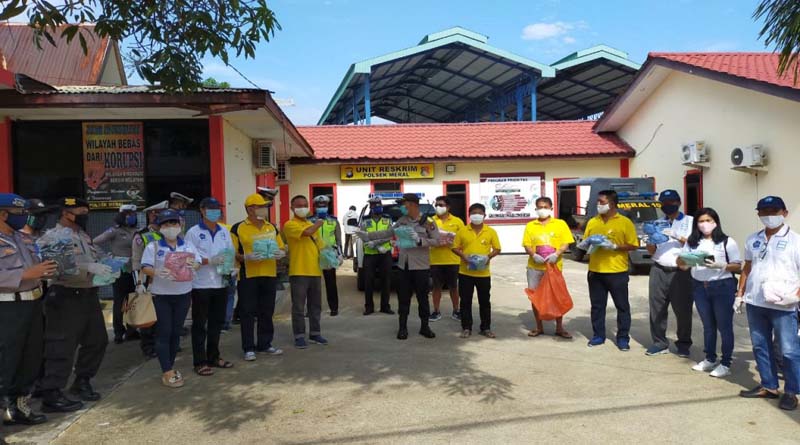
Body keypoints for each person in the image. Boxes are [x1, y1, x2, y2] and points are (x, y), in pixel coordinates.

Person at [40, 198, 110, 412]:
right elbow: (59, 270)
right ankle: (51, 393)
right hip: (66, 296)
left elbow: (96, 258)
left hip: (88, 295)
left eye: (86, 211)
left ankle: (82, 381)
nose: (85, 215)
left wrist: (109, 265)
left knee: (97, 340)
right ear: (66, 213)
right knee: (61, 345)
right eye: (81, 211)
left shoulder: (83, 235)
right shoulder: (54, 237)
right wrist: (89, 268)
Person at [737, 196, 800, 410]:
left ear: (784, 213)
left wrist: (797, 296)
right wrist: (740, 293)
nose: (769, 215)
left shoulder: (796, 241)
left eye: (774, 210)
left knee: (789, 351)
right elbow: (747, 267)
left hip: (784, 305)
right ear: (758, 214)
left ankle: (791, 392)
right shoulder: (752, 239)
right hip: (756, 303)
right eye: (764, 211)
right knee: (760, 346)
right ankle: (769, 386)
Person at [0, 194, 56, 427]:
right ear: (4, 214)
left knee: (30, 359)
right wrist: (25, 275)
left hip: (32, 304)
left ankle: (20, 407)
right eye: (19, 213)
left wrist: (45, 271)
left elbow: (35, 267)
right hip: (7, 308)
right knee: (6, 361)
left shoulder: (22, 238)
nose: (24, 217)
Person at [358, 193, 439, 340]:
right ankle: (402, 328)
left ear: (413, 205)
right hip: (404, 266)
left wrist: (420, 241)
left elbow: (437, 241)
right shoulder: (402, 220)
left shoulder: (427, 221)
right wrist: (368, 236)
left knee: (423, 298)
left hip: (420, 266)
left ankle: (425, 327)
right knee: (403, 298)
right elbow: (388, 233)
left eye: (404, 204)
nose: (401, 207)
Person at [677, 208, 741, 378]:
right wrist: (688, 261)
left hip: (722, 286)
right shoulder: (692, 242)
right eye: (701, 221)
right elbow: (682, 264)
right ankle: (710, 358)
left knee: (724, 326)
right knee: (708, 326)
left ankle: (726, 362)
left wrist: (721, 265)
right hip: (699, 286)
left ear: (715, 222)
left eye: (708, 220)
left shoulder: (726, 242)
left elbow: (738, 266)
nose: (704, 224)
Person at [141, 209, 199, 388]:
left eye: (174, 223)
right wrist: (157, 272)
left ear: (179, 225)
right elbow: (145, 267)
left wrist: (194, 264)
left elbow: (197, 262)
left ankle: (170, 367)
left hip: (183, 294)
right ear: (160, 228)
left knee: (176, 332)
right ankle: (166, 371)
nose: (171, 227)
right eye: (166, 224)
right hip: (162, 295)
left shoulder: (187, 245)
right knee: (164, 332)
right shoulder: (153, 247)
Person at [578, 190, 639, 350]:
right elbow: (585, 242)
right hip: (595, 271)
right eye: (598, 202)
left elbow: (633, 245)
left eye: (602, 202)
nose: (598, 205)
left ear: (612, 204)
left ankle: (623, 338)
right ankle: (598, 335)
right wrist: (586, 244)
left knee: (622, 306)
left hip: (617, 271)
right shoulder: (593, 221)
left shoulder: (625, 222)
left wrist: (614, 246)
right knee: (597, 306)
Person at [230, 193, 286, 360]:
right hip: (248, 275)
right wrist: (245, 257)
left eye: (264, 206)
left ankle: (265, 344)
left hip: (269, 273)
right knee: (247, 312)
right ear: (250, 209)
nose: (264, 209)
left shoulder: (271, 227)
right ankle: (248, 348)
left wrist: (281, 253)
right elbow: (232, 252)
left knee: (267, 310)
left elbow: (281, 247)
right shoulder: (238, 228)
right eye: (260, 206)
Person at [185, 198, 235, 375]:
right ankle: (199, 362)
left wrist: (229, 267)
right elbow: (189, 257)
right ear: (202, 210)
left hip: (220, 282)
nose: (215, 212)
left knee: (216, 322)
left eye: (217, 208)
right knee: (200, 324)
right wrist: (209, 261)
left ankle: (214, 356)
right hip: (201, 284)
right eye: (210, 208)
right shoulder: (193, 232)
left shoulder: (224, 231)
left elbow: (229, 252)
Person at [645, 189, 694, 357]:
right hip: (658, 268)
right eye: (663, 203)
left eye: (671, 202)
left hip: (681, 271)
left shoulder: (691, 222)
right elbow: (652, 251)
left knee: (683, 310)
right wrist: (650, 240)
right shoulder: (657, 223)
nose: (667, 205)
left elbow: (697, 246)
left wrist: (676, 236)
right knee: (656, 308)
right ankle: (659, 343)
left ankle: (684, 344)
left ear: (678, 202)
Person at [522, 197, 575, 338]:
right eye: (539, 207)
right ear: (535, 209)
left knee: (556, 296)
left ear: (551, 208)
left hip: (554, 267)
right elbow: (526, 244)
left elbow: (566, 242)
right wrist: (533, 255)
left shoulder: (560, 224)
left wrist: (557, 254)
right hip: (535, 267)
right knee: (535, 297)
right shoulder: (530, 226)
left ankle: (559, 327)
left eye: (545, 207)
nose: (542, 209)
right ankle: (539, 327)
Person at [283, 195, 328, 349]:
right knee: (298, 306)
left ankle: (315, 333)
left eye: (305, 205)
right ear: (292, 208)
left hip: (315, 271)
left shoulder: (310, 223)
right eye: (299, 205)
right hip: (298, 271)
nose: (302, 208)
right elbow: (307, 233)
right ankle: (299, 336)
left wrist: (331, 256)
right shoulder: (290, 225)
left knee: (315, 305)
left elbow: (320, 245)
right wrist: (319, 223)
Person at [453, 203, 501, 338]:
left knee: (484, 301)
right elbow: (454, 247)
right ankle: (466, 327)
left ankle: (485, 328)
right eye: (474, 213)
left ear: (484, 215)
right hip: (465, 272)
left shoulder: (490, 231)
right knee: (465, 301)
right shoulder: (462, 231)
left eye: (480, 213)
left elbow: (497, 248)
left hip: (483, 273)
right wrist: (463, 256)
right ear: (469, 215)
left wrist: (488, 257)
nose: (477, 215)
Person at [93, 204, 139, 344]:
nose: (131, 216)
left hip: (134, 270)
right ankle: (119, 332)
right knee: (119, 301)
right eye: (128, 214)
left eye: (133, 214)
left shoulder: (137, 231)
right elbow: (94, 242)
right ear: (121, 216)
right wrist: (106, 258)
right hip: (120, 271)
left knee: (132, 301)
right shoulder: (114, 231)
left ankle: (132, 330)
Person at [131, 200, 169, 359]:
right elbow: (136, 262)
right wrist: (139, 284)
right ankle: (148, 346)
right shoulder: (142, 235)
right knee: (148, 315)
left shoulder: (168, 233)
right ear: (151, 215)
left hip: (167, 280)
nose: (161, 217)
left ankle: (163, 343)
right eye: (157, 214)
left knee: (164, 315)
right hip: (148, 280)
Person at [429, 196, 465, 322]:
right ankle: (436, 311)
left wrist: (452, 242)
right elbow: (425, 237)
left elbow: (463, 239)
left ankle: (456, 310)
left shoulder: (457, 221)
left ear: (448, 207)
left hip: (453, 260)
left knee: (453, 287)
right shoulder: (430, 221)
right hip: (435, 260)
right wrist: (435, 241)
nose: (438, 207)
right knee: (436, 287)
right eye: (436, 205)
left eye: (441, 205)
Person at [359, 197, 394, 316]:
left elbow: (390, 235)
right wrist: (373, 244)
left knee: (386, 281)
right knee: (368, 282)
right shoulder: (365, 220)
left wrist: (377, 243)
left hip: (385, 253)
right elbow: (363, 235)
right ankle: (369, 307)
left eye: (379, 204)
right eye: (374, 205)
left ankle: (385, 306)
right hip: (370, 255)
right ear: (371, 207)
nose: (377, 207)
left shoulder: (387, 219)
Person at [313, 195, 342, 316]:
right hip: (313, 254)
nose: (322, 207)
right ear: (315, 207)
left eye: (324, 205)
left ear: (328, 206)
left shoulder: (334, 221)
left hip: (329, 255)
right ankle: (312, 308)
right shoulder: (310, 221)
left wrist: (340, 254)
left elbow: (338, 239)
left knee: (331, 283)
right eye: (319, 206)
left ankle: (334, 308)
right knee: (313, 284)